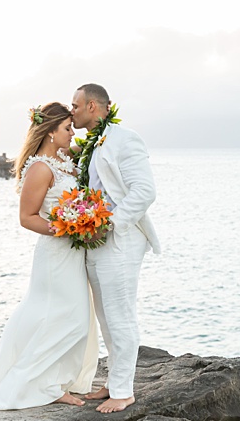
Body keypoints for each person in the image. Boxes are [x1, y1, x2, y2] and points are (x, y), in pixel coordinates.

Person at [0, 102, 99, 410]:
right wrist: (68, 228)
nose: (72, 133)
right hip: (56, 254)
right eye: (67, 128)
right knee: (69, 319)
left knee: (66, 317)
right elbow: (27, 217)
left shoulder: (66, 160)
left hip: (74, 253)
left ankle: (58, 377)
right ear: (51, 132)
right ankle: (43, 384)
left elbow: (94, 152)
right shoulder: (41, 168)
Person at [71, 84, 161, 413]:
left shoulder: (125, 139)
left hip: (119, 240)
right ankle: (112, 383)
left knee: (120, 316)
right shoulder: (91, 145)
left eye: (76, 105)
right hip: (94, 241)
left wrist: (109, 223)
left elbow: (144, 191)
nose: (72, 112)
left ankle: (124, 392)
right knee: (105, 316)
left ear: (93, 106)